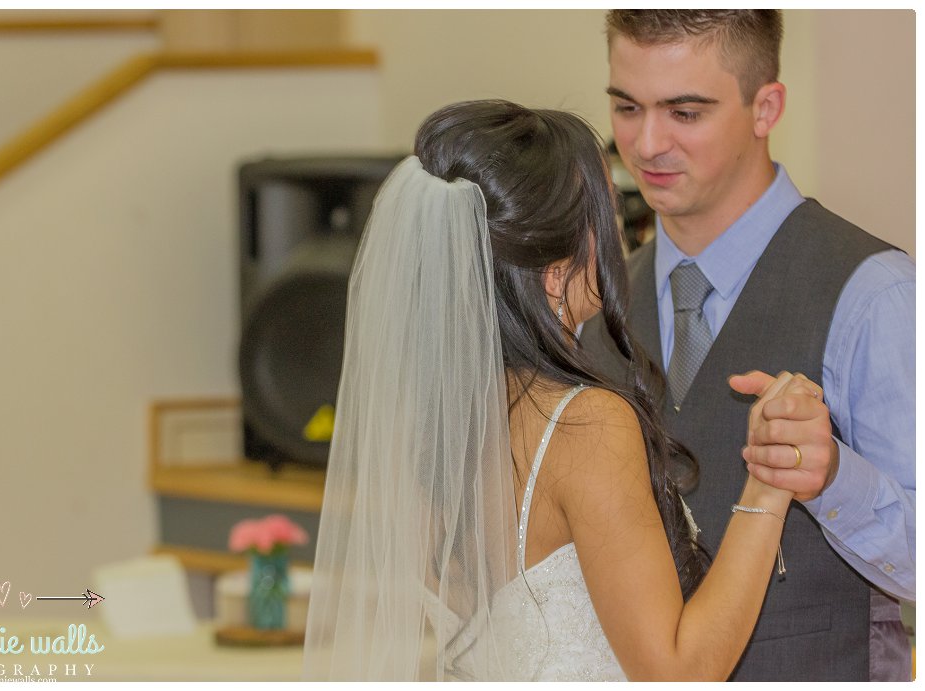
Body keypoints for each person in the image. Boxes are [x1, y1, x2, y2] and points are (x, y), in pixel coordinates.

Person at [302, 99, 805, 681]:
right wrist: (769, 483)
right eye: (607, 215)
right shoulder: (584, 425)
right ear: (555, 272)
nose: (620, 238)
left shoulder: (431, 429)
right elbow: (677, 672)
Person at [579, 10, 914, 681]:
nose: (645, 144)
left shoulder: (874, 292)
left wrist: (829, 477)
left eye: (684, 111)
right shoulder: (596, 306)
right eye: (625, 106)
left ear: (765, 107)